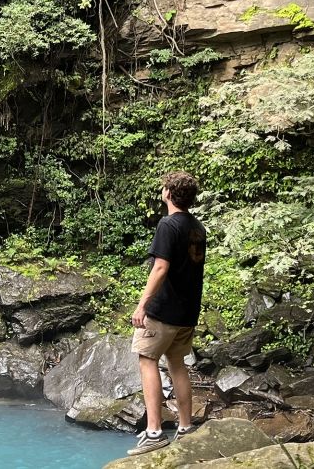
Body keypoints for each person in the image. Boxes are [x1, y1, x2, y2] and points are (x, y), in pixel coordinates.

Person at [127, 171, 207, 456]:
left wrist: (142, 305)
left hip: (164, 311)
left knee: (147, 359)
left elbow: (161, 268)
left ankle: (154, 432)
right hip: (187, 312)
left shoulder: (168, 224)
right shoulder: (198, 228)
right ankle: (185, 428)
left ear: (168, 193)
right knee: (177, 364)